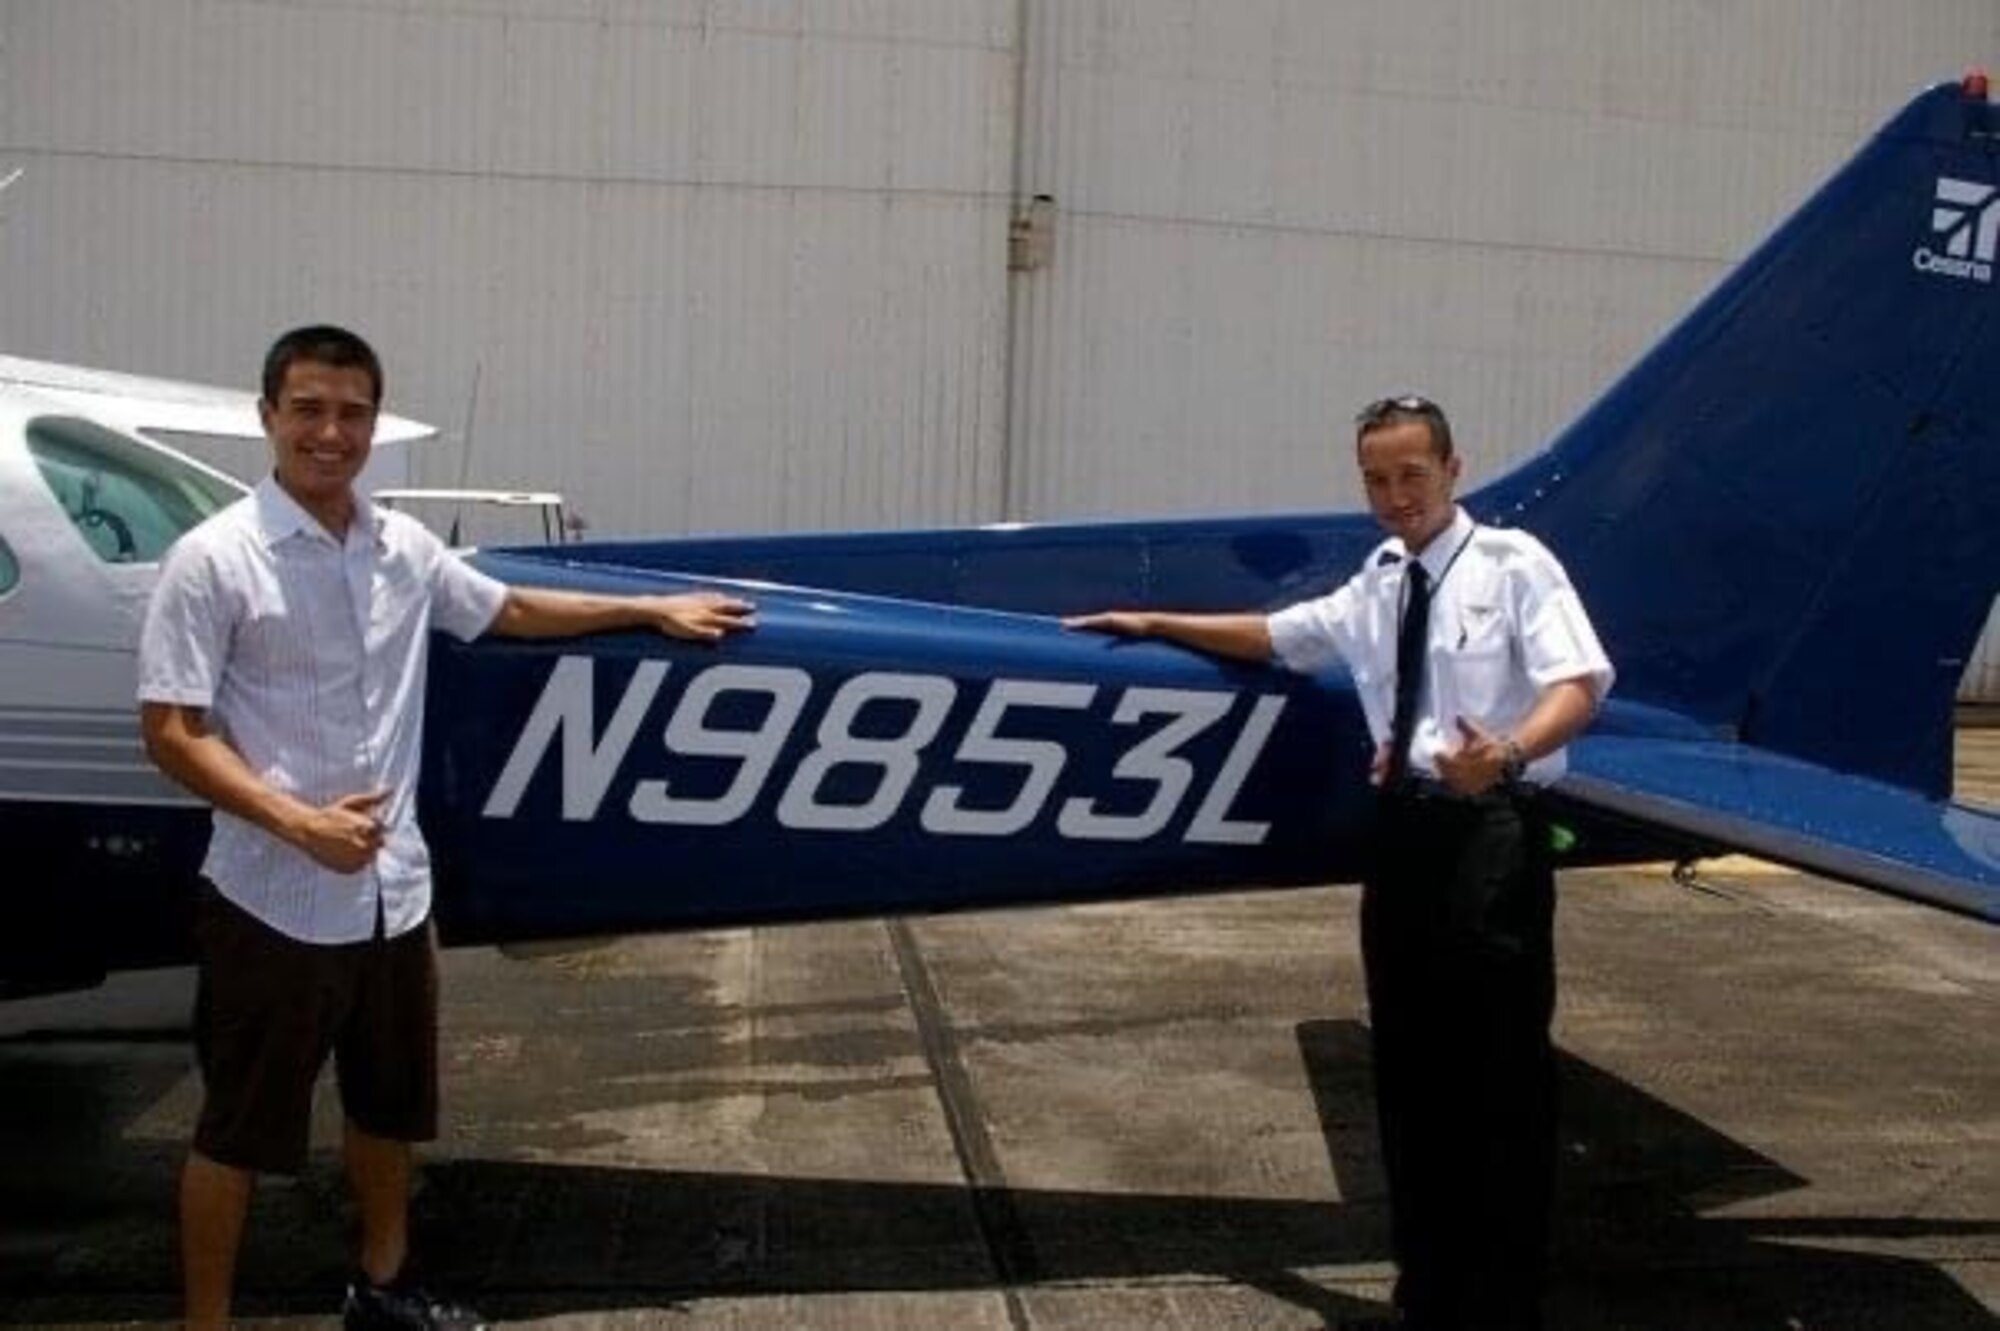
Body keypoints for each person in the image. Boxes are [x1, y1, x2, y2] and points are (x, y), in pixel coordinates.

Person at [137, 324, 756, 1331]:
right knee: (237, 1131)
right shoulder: (213, 559)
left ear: (373, 426)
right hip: (271, 898)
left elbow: (506, 608)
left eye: (350, 412)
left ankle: (381, 1286)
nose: (329, 432)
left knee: (386, 1110)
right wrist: (295, 820)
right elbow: (169, 730)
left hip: (392, 892)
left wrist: (645, 608)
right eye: (308, 409)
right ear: (268, 417)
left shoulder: (399, 546)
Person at [1065, 395, 1612, 1331]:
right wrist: (1156, 621)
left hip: (1490, 834)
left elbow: (1580, 683)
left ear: (1453, 469)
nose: (1395, 496)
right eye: (1376, 479)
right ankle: (1429, 1286)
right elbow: (1281, 635)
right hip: (1401, 838)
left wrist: (1510, 752)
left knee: (1501, 1075)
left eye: (1411, 474)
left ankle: (1505, 1296)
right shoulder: (1382, 578)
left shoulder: (1514, 565)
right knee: (1408, 1069)